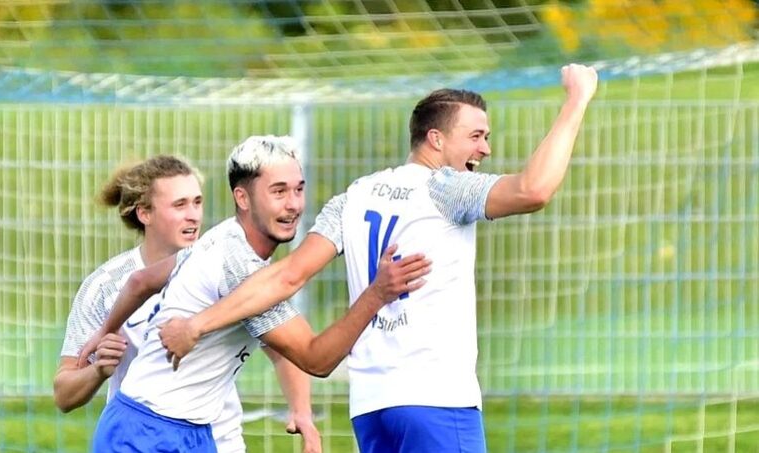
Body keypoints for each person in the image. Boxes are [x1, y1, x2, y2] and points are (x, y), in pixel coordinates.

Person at [156, 64, 599, 453]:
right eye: (476, 136)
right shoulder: (446, 188)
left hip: (372, 407)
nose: (485, 149)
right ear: (436, 139)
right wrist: (576, 100)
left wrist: (197, 324)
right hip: (436, 400)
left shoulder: (355, 195)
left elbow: (287, 275)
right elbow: (533, 189)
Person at [79, 135, 431, 453]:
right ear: (242, 198)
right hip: (144, 433)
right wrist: (376, 294)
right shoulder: (241, 269)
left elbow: (141, 281)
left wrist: (105, 330)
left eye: (298, 189)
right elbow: (316, 358)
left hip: (194, 433)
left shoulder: (223, 238)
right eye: (278, 192)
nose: (293, 204)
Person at [53, 156, 320, 452]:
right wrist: (98, 371)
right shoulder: (106, 285)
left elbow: (283, 352)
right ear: (145, 213)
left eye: (197, 202)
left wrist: (302, 410)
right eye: (179, 205)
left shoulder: (228, 269)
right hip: (145, 438)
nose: (193, 216)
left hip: (219, 440)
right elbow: (64, 395)